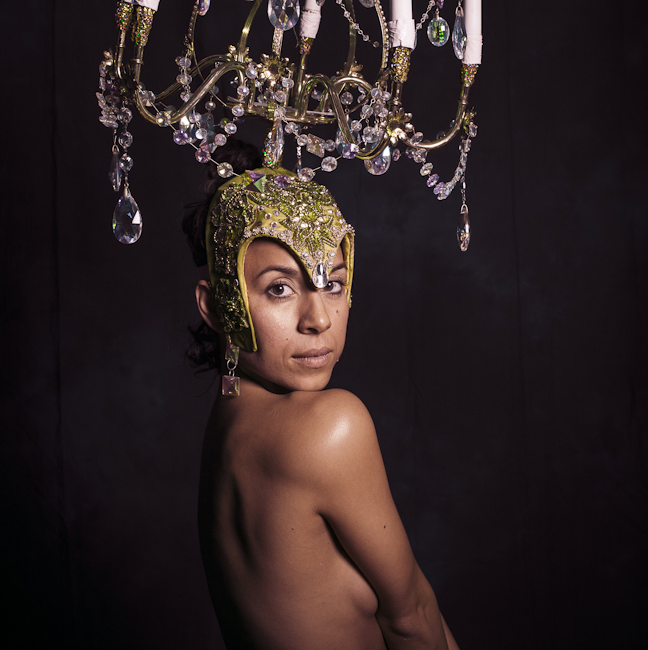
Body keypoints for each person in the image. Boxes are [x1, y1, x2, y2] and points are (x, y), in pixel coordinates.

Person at [183, 141, 459, 650]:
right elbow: (411, 618)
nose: (319, 320)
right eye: (279, 289)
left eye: (332, 283)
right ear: (215, 306)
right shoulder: (329, 426)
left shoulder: (228, 424)